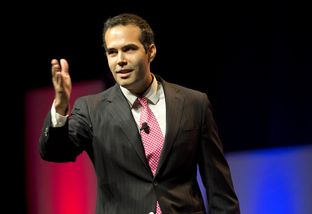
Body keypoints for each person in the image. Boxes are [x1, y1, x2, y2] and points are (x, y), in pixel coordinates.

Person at [39, 13, 240, 214]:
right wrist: (60, 106)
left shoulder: (194, 103)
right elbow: (55, 152)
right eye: (112, 52)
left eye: (129, 49)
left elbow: (218, 185)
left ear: (150, 51)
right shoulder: (92, 109)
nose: (120, 60)